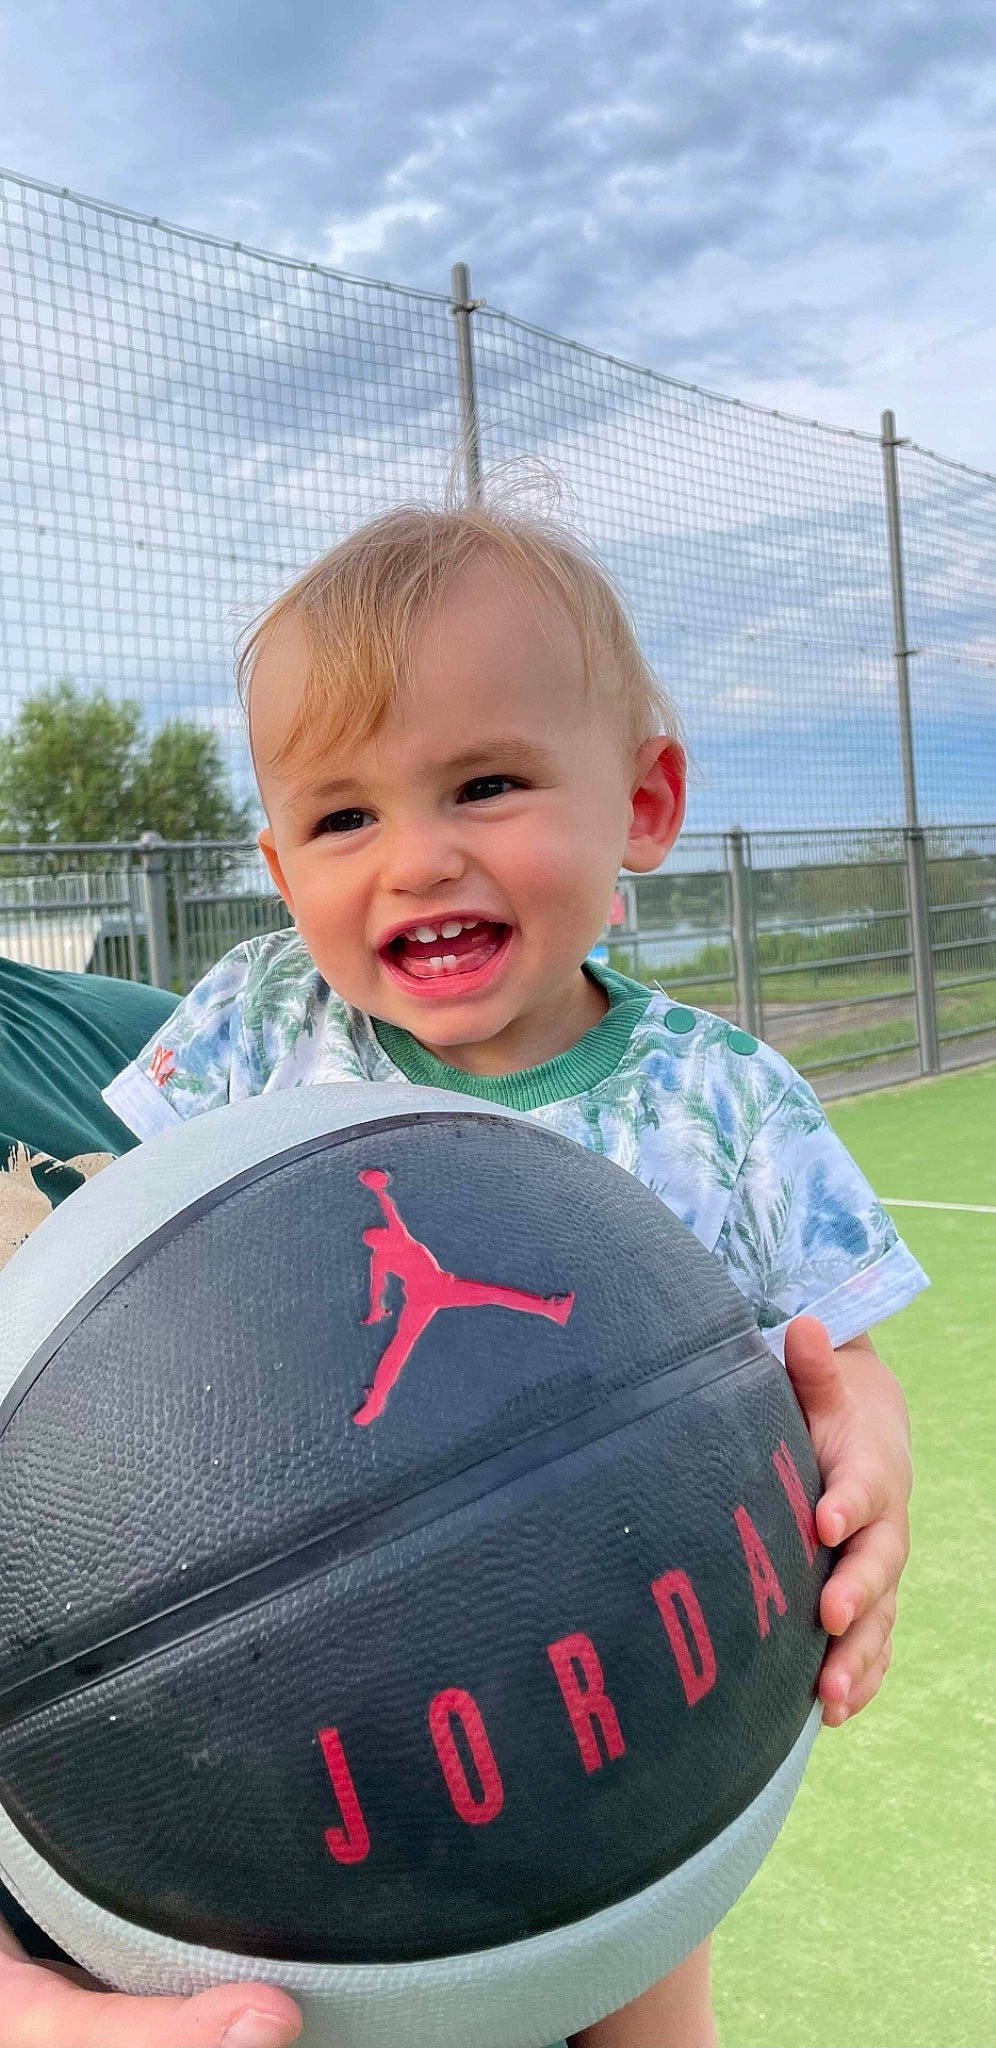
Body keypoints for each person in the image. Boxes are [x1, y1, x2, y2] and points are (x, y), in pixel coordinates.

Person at [4, 501, 923, 2048]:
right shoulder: (256, 1033)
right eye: (343, 821)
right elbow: (127, 1270)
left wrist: (867, 1470)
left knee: (638, 1995)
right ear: (276, 864)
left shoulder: (725, 1101)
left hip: (643, 1682)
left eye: (485, 786)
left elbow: (848, 1368)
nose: (419, 858)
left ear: (645, 802)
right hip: (310, 1708)